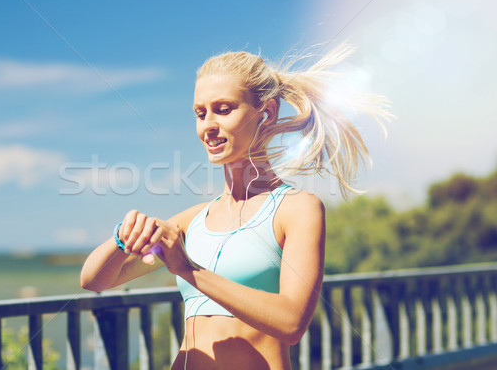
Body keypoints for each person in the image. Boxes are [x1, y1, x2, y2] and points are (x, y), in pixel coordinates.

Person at [80, 43, 392, 370]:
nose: (208, 125)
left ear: (266, 112)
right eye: (201, 113)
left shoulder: (297, 209)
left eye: (224, 109)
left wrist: (189, 270)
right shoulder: (193, 219)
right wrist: (121, 238)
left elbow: (291, 322)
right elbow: (94, 281)